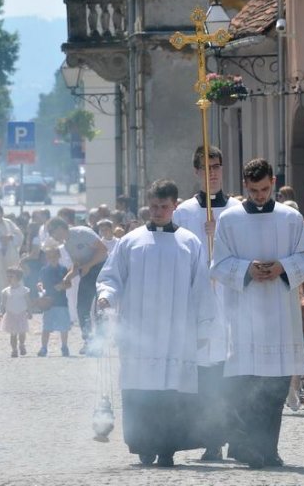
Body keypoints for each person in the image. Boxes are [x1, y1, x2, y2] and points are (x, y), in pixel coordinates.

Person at [211, 158, 304, 468]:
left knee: (273, 389)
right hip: (243, 316)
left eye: (265, 188)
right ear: (245, 185)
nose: (260, 195)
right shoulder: (230, 220)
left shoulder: (290, 217)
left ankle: (268, 449)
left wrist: (281, 267)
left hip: (279, 316)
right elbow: (218, 264)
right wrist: (247, 270)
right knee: (244, 388)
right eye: (254, 189)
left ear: (272, 182)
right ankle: (246, 446)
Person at [96, 179, 209, 467]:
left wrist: (202, 328)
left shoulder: (190, 242)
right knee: (140, 390)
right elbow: (111, 276)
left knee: (171, 393)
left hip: (176, 332)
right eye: (153, 206)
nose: (157, 212)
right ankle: (143, 446)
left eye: (164, 206)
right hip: (139, 331)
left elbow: (201, 289)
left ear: (174, 205)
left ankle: (167, 449)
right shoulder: (130, 241)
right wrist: (107, 296)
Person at [172, 145, 241, 462]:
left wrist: (222, 234)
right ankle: (211, 438)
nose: (212, 172)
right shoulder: (184, 212)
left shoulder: (238, 209)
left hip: (232, 299)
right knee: (206, 375)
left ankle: (238, 436)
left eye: (217, 165)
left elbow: (245, 251)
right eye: (205, 167)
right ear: (196, 172)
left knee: (234, 372)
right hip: (199, 299)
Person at [46, 216, 108, 354]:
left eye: (52, 231)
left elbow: (103, 250)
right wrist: (67, 278)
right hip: (87, 271)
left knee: (100, 307)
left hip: (101, 269)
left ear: (60, 228)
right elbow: (77, 265)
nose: (52, 236)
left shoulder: (82, 233)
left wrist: (89, 265)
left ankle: (100, 342)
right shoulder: (67, 244)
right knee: (82, 307)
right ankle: (88, 341)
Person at [37, 246, 72, 357]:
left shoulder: (63, 269)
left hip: (61, 302)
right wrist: (40, 287)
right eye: (49, 256)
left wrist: (62, 286)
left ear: (59, 256)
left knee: (64, 327)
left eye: (54, 256)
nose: (52, 258)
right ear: (47, 257)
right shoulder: (44, 270)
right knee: (46, 327)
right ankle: (44, 348)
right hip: (48, 303)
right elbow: (40, 283)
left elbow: (69, 284)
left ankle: (64, 346)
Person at [0, 267, 31, 357]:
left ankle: (22, 344)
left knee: (22, 332)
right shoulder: (5, 291)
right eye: (8, 276)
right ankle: (14, 349)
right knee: (13, 334)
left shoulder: (24, 290)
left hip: (21, 313)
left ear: (18, 277)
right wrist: (1, 312)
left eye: (11, 276)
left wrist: (30, 312)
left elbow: (28, 302)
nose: (9, 278)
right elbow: (3, 303)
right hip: (11, 314)